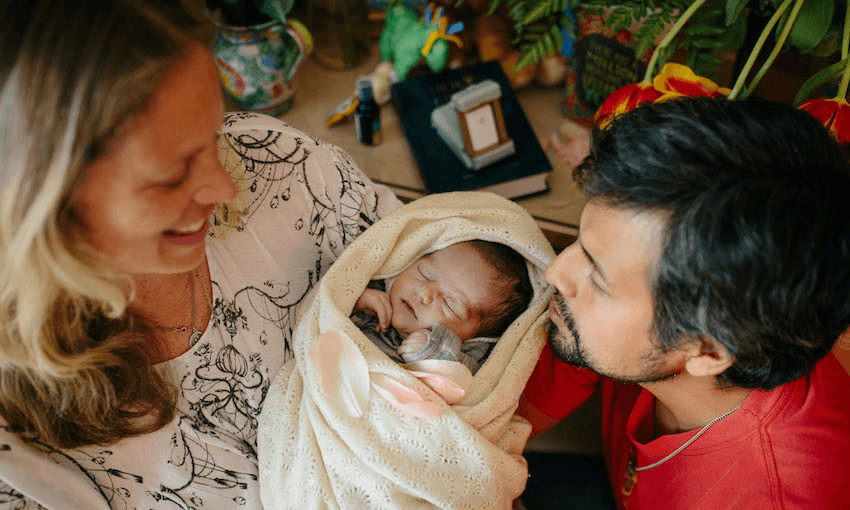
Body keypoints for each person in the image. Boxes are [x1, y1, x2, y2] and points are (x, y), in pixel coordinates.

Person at [0, 1, 403, 508]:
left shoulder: (279, 165)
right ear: (36, 203)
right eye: (171, 176)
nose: (224, 186)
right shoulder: (17, 437)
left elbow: (461, 272)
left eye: (213, 134)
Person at [518, 96, 850, 509]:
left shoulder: (772, 495)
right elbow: (574, 361)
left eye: (598, 278)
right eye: (581, 244)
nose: (556, 273)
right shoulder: (677, 323)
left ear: (707, 351)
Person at [352, 239, 533, 375]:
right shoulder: (370, 285)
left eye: (449, 305)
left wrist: (433, 351)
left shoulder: (464, 359)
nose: (424, 293)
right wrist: (355, 300)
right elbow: (326, 306)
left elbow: (464, 386)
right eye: (425, 274)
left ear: (475, 340)